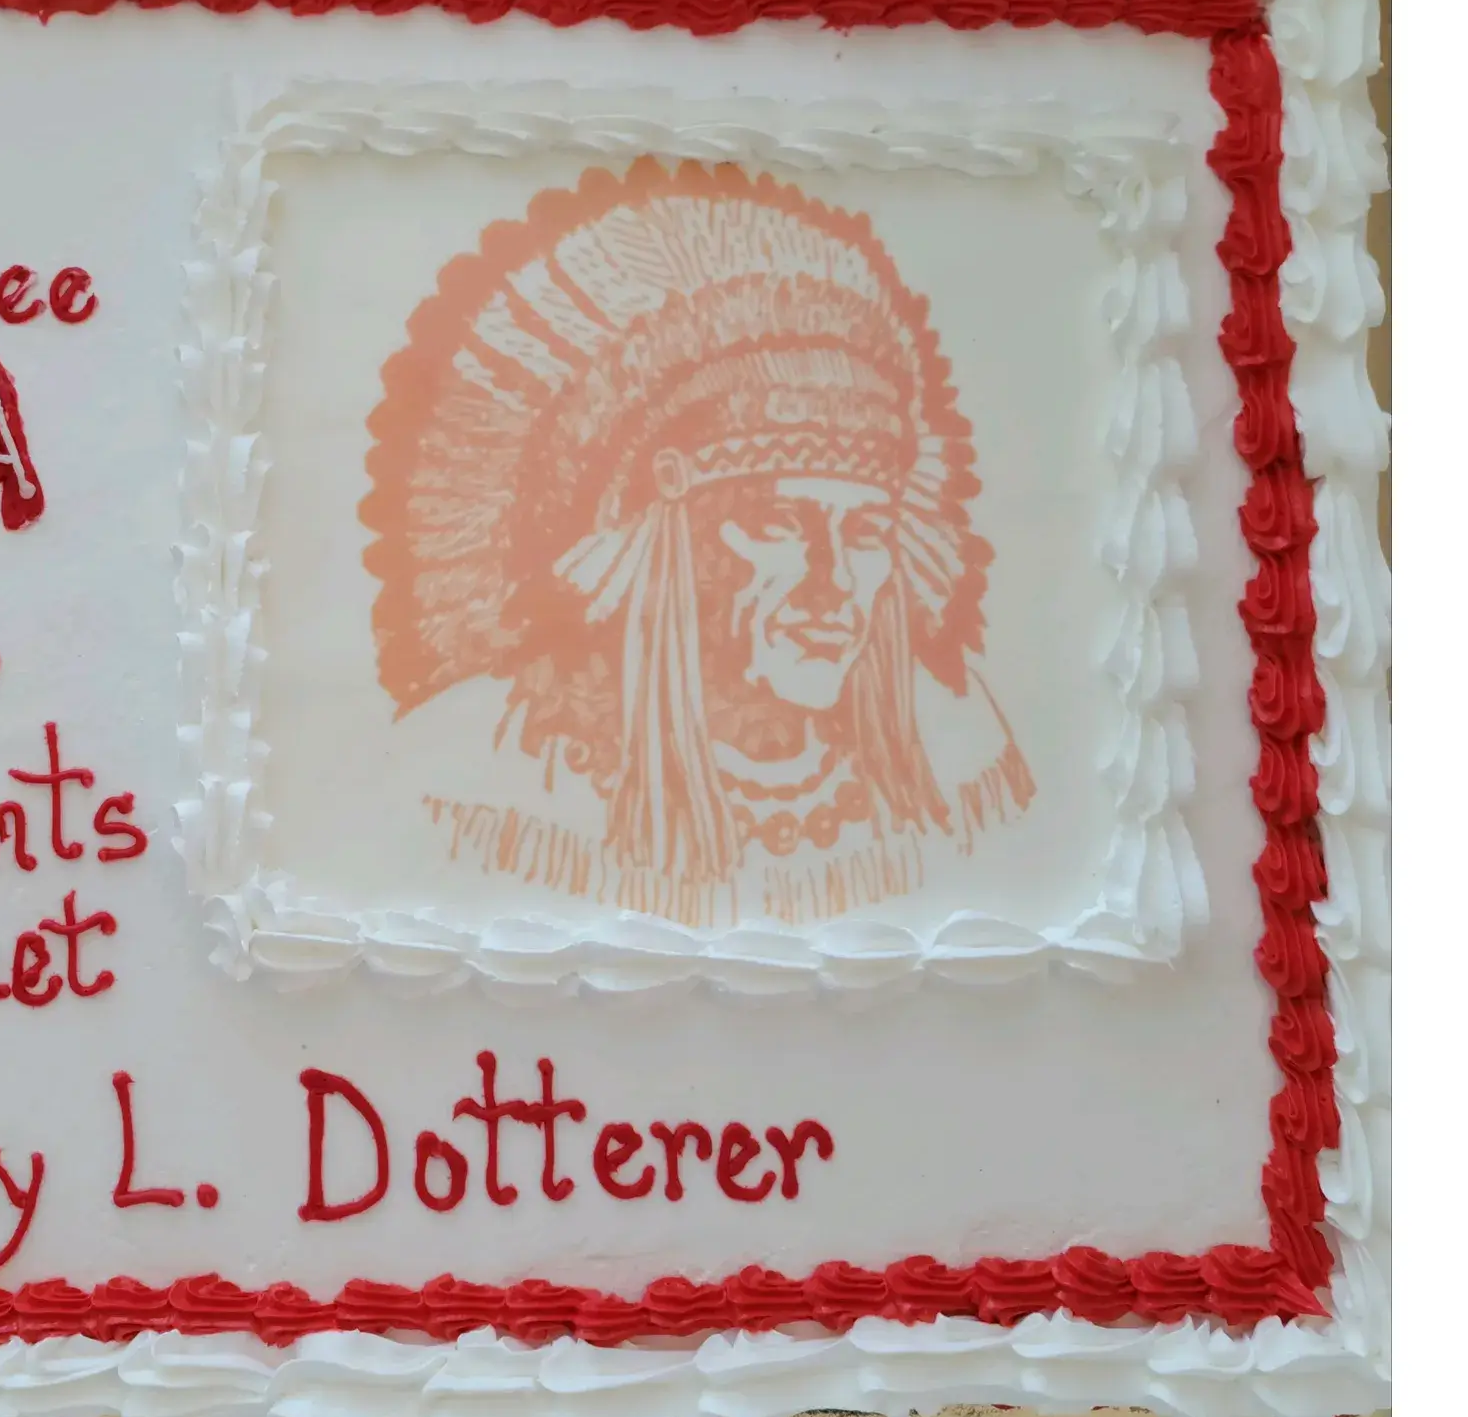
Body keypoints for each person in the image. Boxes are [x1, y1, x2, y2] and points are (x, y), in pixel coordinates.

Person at [365, 159, 1030, 926]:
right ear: (656, 533)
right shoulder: (490, 771)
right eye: (778, 527)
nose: (833, 587)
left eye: (866, 534)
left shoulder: (958, 754)